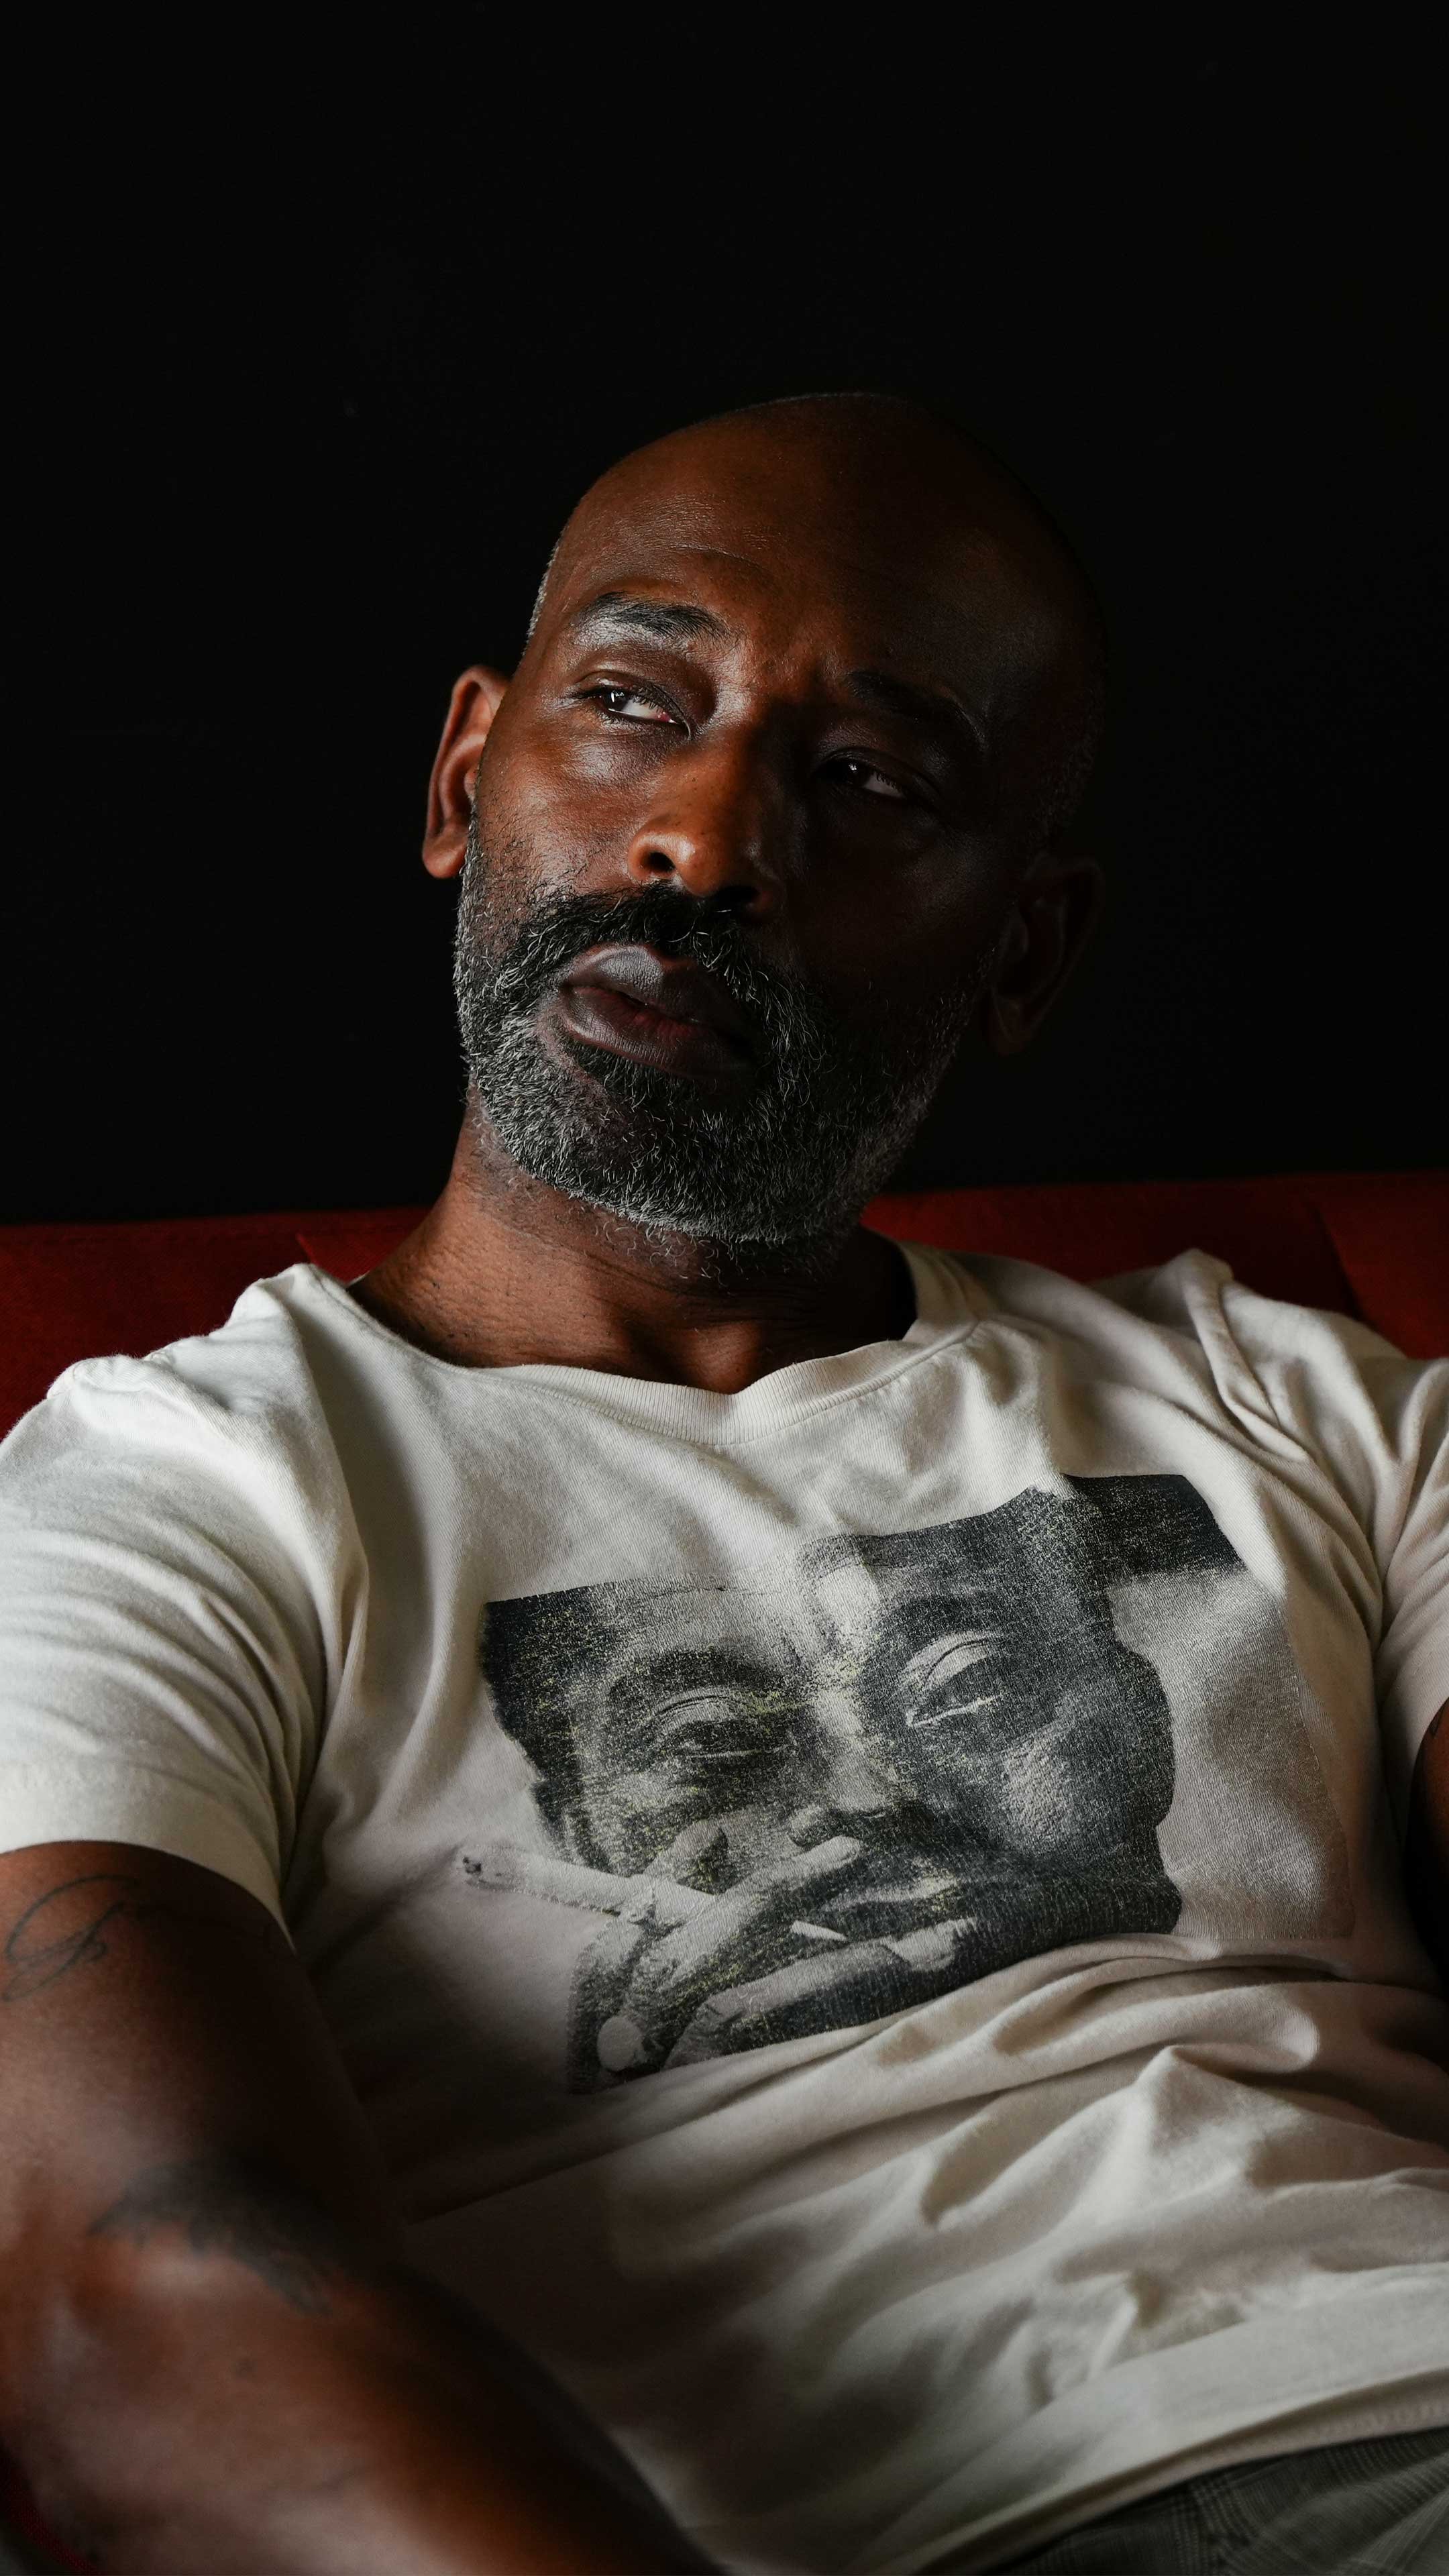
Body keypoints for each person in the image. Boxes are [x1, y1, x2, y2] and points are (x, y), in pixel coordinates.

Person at [0, 392, 1445, 2576]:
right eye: (632, 702)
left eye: (866, 779)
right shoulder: (176, 1498)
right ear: (464, 775)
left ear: (1026, 945)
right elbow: (142, 2297)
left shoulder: (1306, 1407)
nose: (703, 836)